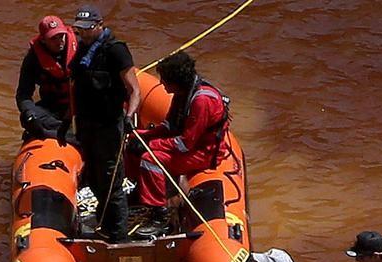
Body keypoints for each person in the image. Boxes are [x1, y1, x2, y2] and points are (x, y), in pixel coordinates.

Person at [125, 50, 229, 237]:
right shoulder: (182, 95)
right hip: (188, 146)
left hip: (203, 153)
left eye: (164, 80)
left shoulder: (201, 101)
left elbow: (185, 143)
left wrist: (152, 145)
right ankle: (141, 193)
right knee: (134, 143)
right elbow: (168, 126)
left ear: (176, 81)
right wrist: (141, 136)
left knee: (151, 159)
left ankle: (160, 216)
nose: (161, 84)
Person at [66, 5, 141, 242]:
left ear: (100, 25)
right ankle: (105, 221)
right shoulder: (82, 51)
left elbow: (134, 90)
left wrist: (129, 117)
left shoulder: (115, 51)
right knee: (94, 178)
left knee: (111, 179)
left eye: (88, 29)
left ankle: (119, 236)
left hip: (109, 124)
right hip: (87, 123)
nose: (84, 34)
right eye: (80, 30)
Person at [15, 16, 77, 141]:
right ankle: (65, 134)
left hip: (78, 105)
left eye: (61, 36)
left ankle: (57, 133)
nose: (60, 41)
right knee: (27, 117)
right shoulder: (33, 58)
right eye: (53, 38)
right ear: (43, 40)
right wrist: (29, 113)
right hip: (52, 107)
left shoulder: (80, 47)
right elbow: (23, 94)